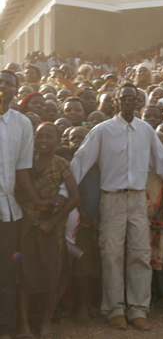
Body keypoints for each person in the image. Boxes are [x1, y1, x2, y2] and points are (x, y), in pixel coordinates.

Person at [70, 83, 163, 331]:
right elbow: (79, 163)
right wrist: (64, 194)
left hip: (137, 199)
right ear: (115, 101)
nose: (127, 102)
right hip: (111, 198)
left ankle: (138, 310)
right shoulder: (102, 130)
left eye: (132, 98)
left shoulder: (145, 130)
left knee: (140, 255)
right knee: (111, 255)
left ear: (137, 102)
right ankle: (115, 310)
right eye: (123, 98)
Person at [15, 123, 80, 339]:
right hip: (27, 224)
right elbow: (17, 191)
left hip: (51, 227)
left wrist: (52, 222)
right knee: (25, 273)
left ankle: (45, 321)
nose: (43, 140)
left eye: (48, 136)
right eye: (39, 136)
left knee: (51, 273)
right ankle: (24, 324)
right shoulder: (25, 161)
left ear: (58, 140)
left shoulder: (61, 164)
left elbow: (75, 197)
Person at [0, 70, 36, 339]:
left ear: (16, 89)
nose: (3, 86)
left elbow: (23, 170)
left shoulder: (22, 124)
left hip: (9, 213)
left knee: (6, 273)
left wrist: (37, 201)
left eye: (9, 83)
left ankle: (5, 328)